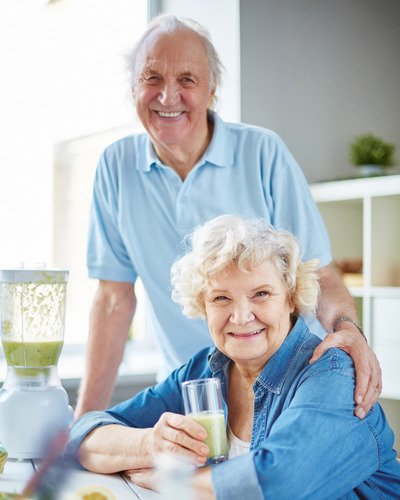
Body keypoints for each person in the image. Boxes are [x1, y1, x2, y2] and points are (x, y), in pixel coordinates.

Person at [75, 14, 381, 419]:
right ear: (133, 87)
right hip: (189, 392)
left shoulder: (262, 153)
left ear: (212, 89)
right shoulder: (116, 166)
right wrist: (83, 423)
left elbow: (318, 274)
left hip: (277, 386)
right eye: (151, 78)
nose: (168, 96)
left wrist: (348, 330)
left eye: (187, 79)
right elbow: (114, 301)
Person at [66, 215, 400, 499]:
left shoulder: (333, 373)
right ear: (202, 306)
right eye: (221, 298)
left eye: (261, 294)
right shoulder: (206, 369)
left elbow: (279, 482)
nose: (240, 317)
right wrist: (149, 445)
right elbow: (84, 435)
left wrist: (174, 481)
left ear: (292, 298)